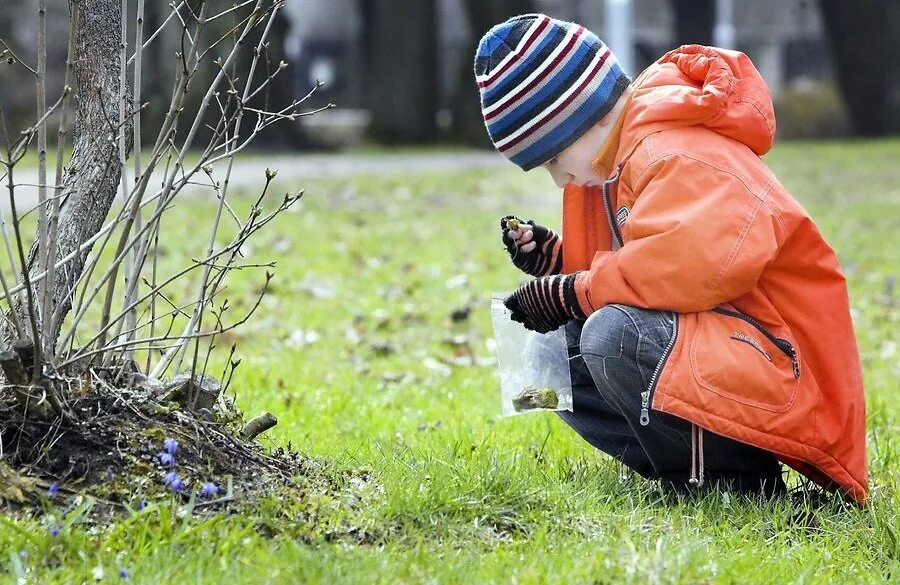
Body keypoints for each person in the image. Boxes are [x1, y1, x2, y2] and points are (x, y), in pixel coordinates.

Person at [475, 13, 867, 501]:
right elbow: (639, 264)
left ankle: (730, 481)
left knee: (611, 334)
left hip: (786, 370)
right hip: (735, 347)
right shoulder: (619, 156)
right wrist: (556, 263)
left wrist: (571, 292)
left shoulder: (676, 150)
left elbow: (684, 270)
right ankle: (679, 469)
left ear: (589, 114)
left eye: (554, 159)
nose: (558, 180)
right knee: (547, 358)